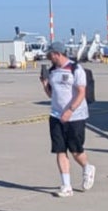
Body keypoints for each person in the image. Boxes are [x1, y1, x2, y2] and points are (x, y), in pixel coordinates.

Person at [40, 41, 95, 196]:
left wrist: (70, 111)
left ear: (57, 54)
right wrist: (45, 84)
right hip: (56, 115)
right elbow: (52, 95)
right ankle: (66, 186)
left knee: (76, 151)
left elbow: (81, 93)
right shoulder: (52, 71)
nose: (48, 57)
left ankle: (87, 167)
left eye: (50, 54)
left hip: (75, 116)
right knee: (60, 150)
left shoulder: (75, 69)